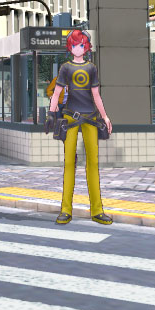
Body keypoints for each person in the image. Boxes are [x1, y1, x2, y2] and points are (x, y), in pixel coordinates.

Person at [48, 30, 113, 226]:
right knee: (69, 163)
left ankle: (97, 210)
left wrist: (105, 116)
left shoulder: (91, 68)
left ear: (86, 47)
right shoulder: (66, 68)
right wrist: (51, 113)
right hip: (70, 117)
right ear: (70, 47)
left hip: (91, 118)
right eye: (75, 45)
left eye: (82, 45)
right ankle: (65, 210)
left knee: (93, 163)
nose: (78, 48)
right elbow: (57, 92)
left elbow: (96, 95)